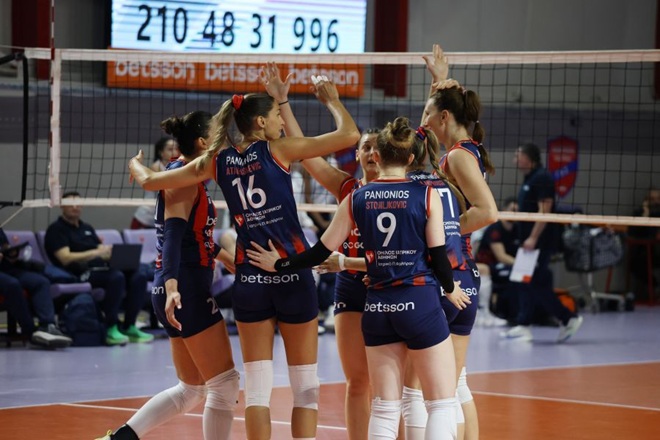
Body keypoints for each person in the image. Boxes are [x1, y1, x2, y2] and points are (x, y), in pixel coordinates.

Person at [128, 73, 360, 440]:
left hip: (251, 279)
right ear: (261, 122)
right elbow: (349, 135)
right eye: (277, 115)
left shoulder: (217, 161)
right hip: (292, 274)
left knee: (256, 392)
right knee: (306, 389)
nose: (281, 121)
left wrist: (136, 166)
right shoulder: (279, 150)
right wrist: (331, 101)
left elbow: (151, 182)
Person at [247, 117, 469, 440]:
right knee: (440, 403)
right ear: (410, 158)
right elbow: (437, 256)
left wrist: (280, 264)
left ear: (376, 156)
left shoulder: (356, 197)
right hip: (418, 302)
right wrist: (450, 289)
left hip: (377, 306)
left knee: (384, 407)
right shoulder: (426, 195)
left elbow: (318, 252)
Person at [96, 111, 238, 440]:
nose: (225, 140)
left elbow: (191, 236)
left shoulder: (184, 176)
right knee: (224, 384)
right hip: (183, 287)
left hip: (176, 285)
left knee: (192, 388)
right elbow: (173, 236)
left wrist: (227, 258)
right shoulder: (184, 179)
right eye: (219, 134)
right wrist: (174, 287)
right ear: (203, 142)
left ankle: (118, 439)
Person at [416, 44, 499, 440]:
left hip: (452, 273)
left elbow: (488, 212)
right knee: (455, 383)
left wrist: (444, 230)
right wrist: (439, 81)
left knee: (436, 392)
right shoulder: (462, 149)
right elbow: (419, 137)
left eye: (429, 112)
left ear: (444, 117)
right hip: (461, 272)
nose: (424, 120)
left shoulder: (459, 157)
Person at [44, 191, 154, 345]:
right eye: (70, 204)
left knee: (139, 276)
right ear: (62, 206)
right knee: (116, 277)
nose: (75, 207)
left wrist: (109, 252)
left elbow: (100, 248)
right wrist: (96, 253)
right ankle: (111, 327)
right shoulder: (56, 229)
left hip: (101, 267)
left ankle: (129, 326)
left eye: (78, 204)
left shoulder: (86, 228)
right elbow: (65, 258)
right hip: (78, 272)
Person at [501, 143, 583, 343]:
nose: (514, 160)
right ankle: (524, 325)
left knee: (535, 283)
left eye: (518, 156)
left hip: (539, 243)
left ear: (529, 158)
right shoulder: (530, 178)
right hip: (528, 243)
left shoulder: (542, 178)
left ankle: (568, 318)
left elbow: (544, 212)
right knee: (523, 281)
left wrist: (533, 238)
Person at [0, 229, 72, 348]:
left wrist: (11, 253)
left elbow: (4, 247)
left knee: (40, 282)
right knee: (12, 285)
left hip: (6, 269)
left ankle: (47, 325)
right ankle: (31, 332)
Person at [474, 197, 519, 325]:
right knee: (488, 270)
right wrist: (521, 264)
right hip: (487, 265)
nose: (515, 213)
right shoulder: (495, 228)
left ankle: (517, 315)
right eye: (513, 209)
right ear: (504, 209)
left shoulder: (516, 229)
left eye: (517, 210)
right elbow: (501, 256)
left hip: (500, 266)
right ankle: (484, 311)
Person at [131, 137, 179, 229]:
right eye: (170, 149)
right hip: (145, 218)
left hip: (161, 219)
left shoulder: (177, 167)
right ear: (161, 153)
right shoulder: (156, 167)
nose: (174, 152)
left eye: (176, 149)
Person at [628, 188, 660, 299]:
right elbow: (632, 232)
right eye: (652, 199)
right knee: (637, 264)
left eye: (658, 199)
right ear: (646, 200)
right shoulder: (639, 213)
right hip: (642, 254)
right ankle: (655, 286)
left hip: (656, 252)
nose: (655, 202)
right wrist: (645, 216)